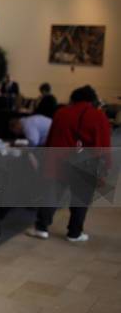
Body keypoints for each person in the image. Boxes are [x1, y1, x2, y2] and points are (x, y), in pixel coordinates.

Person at [26, 85, 111, 242]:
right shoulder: (99, 117)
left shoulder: (61, 113)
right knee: (80, 199)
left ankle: (41, 228)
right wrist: (105, 167)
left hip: (59, 161)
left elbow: (51, 139)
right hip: (85, 163)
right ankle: (74, 233)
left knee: (51, 195)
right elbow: (103, 145)